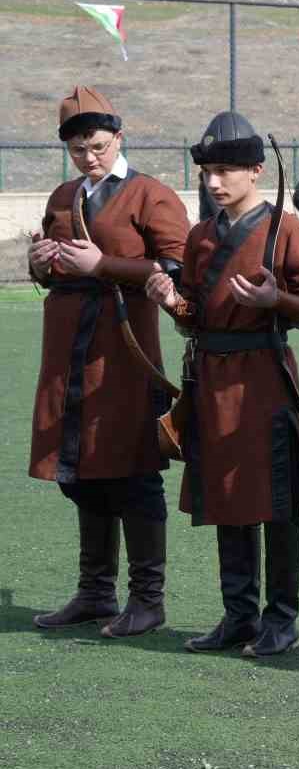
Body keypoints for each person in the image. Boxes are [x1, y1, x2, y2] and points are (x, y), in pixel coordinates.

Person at [144, 111, 299, 659]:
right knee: (226, 496)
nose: (214, 182)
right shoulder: (202, 234)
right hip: (210, 378)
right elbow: (194, 314)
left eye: (226, 171)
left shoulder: (287, 227)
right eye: (208, 171)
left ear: (256, 170)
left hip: (266, 378)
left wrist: (276, 300)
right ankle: (238, 615)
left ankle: (281, 619)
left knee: (277, 500)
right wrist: (169, 301)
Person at [28, 86, 189, 640]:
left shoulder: (151, 194)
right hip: (68, 350)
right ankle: (96, 592)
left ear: (118, 137)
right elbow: (51, 267)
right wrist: (40, 263)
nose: (88, 158)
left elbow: (178, 265)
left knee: (134, 471)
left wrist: (105, 264)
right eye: (77, 150)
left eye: (96, 146)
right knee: (80, 473)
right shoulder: (64, 194)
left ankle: (149, 600)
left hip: (125, 348)